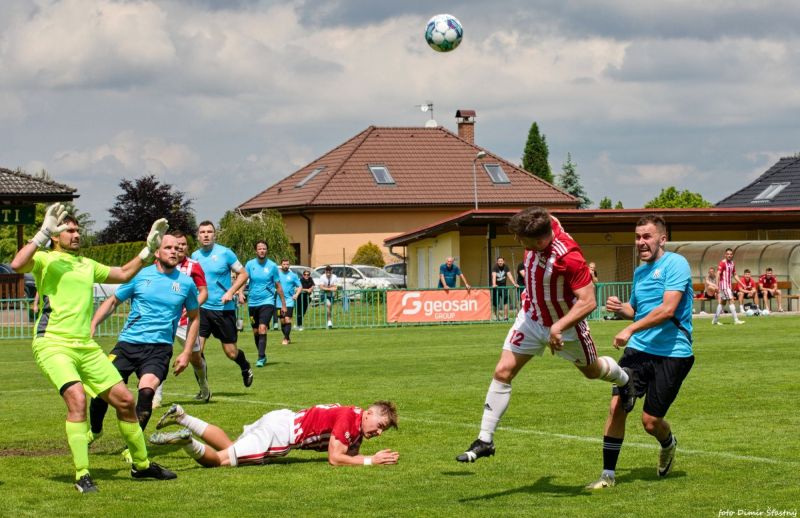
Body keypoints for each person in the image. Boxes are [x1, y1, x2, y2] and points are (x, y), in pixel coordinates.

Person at [10, 204, 176, 493]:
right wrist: (41, 234)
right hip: (53, 344)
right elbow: (17, 265)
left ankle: (142, 466)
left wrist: (148, 250)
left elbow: (124, 274)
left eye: (77, 230)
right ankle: (83, 473)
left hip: (86, 347)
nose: (75, 235)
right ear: (56, 236)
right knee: (77, 399)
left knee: (125, 402)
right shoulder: (46, 259)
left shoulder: (87, 264)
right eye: (68, 231)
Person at [455, 207, 634, 463]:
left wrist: (559, 327)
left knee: (592, 372)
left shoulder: (569, 258)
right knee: (502, 372)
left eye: (522, 240)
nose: (518, 242)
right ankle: (485, 440)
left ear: (540, 241)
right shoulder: (546, 223)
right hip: (531, 318)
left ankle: (625, 379)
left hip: (566, 326)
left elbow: (588, 301)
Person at [586, 214, 695, 489]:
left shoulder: (676, 263)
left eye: (647, 236)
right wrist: (621, 309)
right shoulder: (640, 272)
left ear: (662, 238)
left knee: (650, 421)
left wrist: (630, 328)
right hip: (638, 351)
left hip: (673, 352)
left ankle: (668, 443)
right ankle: (608, 475)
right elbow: (637, 310)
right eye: (637, 237)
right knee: (617, 406)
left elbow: (668, 309)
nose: (641, 242)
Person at [88, 234, 200, 442]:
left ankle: (133, 447)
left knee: (147, 392)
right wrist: (93, 323)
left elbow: (194, 318)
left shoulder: (186, 284)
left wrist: (186, 353)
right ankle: (95, 431)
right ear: (157, 253)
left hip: (159, 349)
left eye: (177, 248)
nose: (174, 251)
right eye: (168, 248)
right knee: (100, 390)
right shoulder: (140, 276)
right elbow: (113, 301)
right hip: (127, 345)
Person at [150, 401, 399, 468]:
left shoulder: (354, 417)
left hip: (280, 417)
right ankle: (187, 440)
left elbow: (348, 452)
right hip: (280, 436)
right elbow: (335, 458)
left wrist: (360, 456)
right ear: (367, 414)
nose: (378, 432)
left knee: (231, 445)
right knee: (220, 461)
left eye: (383, 430)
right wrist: (371, 461)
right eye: (379, 425)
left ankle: (182, 416)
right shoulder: (349, 420)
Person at [191, 221, 254, 390]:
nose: (206, 235)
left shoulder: (225, 253)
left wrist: (231, 292)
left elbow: (243, 274)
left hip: (223, 311)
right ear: (198, 235)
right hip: (202, 310)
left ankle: (245, 366)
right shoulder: (194, 256)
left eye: (209, 231)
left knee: (231, 353)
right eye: (202, 232)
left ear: (214, 234)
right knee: (196, 352)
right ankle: (204, 388)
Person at [153, 230, 209, 407]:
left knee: (195, 358)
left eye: (183, 245)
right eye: (175, 245)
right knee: (160, 355)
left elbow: (204, 292)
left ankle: (204, 387)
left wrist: (192, 307)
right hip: (165, 320)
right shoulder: (160, 263)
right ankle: (156, 397)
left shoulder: (194, 266)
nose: (179, 248)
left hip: (186, 322)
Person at [241, 241, 285, 367]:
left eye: (264, 248)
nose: (262, 251)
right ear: (256, 251)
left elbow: (278, 286)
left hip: (267, 301)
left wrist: (283, 304)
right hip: (253, 303)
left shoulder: (272, 266)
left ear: (267, 250)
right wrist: (240, 292)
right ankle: (263, 355)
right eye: (259, 248)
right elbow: (243, 279)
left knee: (262, 328)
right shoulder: (250, 264)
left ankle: (260, 358)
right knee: (255, 331)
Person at [712, 248, 744, 325]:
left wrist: (741, 283)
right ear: (725, 255)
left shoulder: (732, 263)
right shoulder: (722, 263)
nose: (729, 255)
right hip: (724, 285)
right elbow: (718, 274)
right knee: (731, 300)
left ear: (732, 255)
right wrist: (717, 285)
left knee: (722, 302)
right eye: (728, 254)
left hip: (728, 285)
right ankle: (736, 320)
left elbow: (735, 274)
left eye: (730, 254)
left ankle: (715, 320)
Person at [277, 259, 303, 345]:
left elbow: (300, 286)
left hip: (289, 301)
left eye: (287, 264)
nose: (285, 266)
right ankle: (287, 337)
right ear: (281, 265)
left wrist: (296, 294)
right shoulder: (277, 275)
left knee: (287, 319)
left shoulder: (293, 276)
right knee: (282, 320)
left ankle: (285, 339)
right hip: (278, 301)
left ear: (289, 265)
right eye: (284, 264)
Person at [491, 257, 518, 321]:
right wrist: (494, 284)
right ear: (497, 262)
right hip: (496, 288)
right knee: (496, 303)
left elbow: (510, 275)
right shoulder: (495, 267)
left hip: (504, 287)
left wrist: (514, 283)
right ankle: (497, 317)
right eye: (499, 261)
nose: (500, 262)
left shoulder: (506, 267)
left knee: (505, 302)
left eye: (501, 261)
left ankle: (506, 317)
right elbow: (494, 276)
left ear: (504, 261)